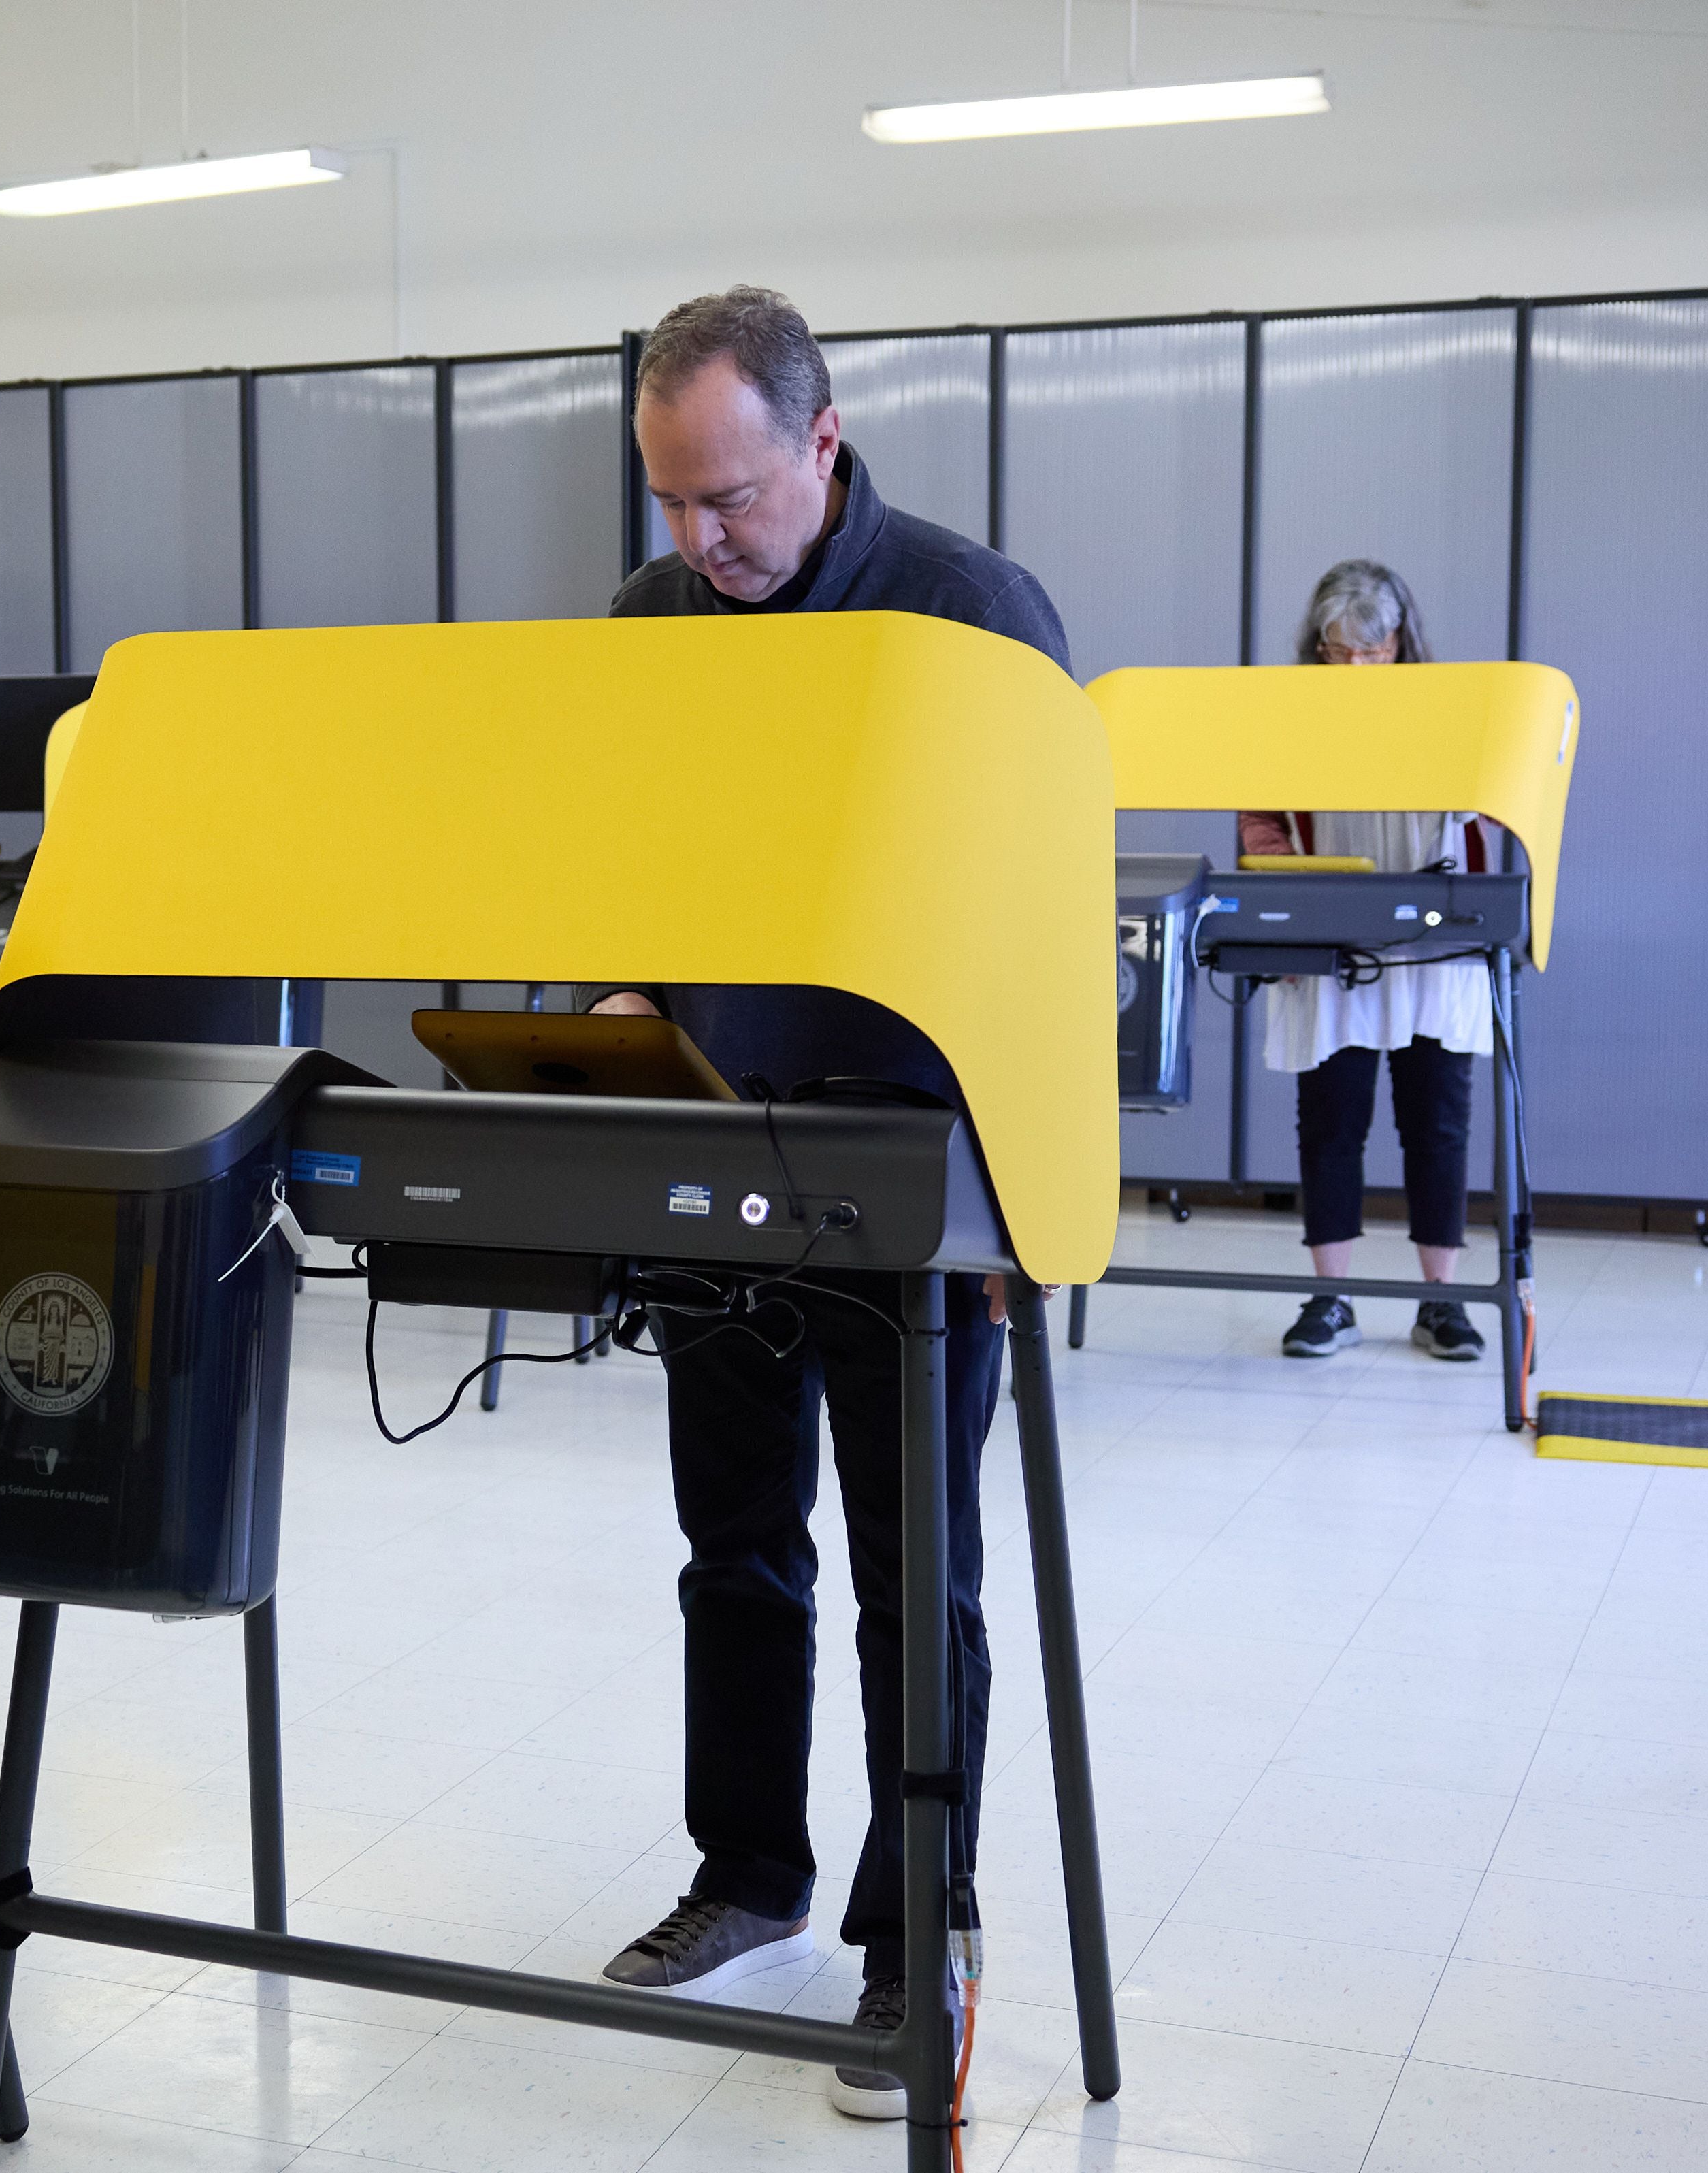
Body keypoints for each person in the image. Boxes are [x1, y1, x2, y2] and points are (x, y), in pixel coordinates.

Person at [585, 287, 1068, 2123]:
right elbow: (629, 848)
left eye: (728, 498)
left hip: (911, 1176)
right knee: (733, 1543)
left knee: (907, 1569)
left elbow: (1032, 930)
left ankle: (910, 1934)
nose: (699, 540)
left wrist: (1030, 1205)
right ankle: (748, 1876)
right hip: (714, 1141)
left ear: (821, 440)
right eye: (668, 501)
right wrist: (617, 992)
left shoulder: (969, 617)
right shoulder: (650, 622)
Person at [1244, 559, 1493, 1362]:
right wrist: (1283, 913)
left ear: (1400, 645)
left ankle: (1440, 1302)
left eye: (1371, 649)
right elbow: (1260, 823)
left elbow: (1488, 807)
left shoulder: (1447, 713)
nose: (1354, 666)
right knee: (1330, 1124)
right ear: (1316, 648)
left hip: (1433, 942)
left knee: (1438, 1125)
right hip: (1332, 939)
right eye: (1338, 651)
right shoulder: (1285, 717)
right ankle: (1331, 1298)